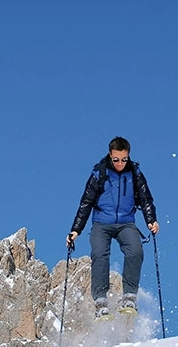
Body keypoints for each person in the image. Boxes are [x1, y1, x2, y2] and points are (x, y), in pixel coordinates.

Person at [68, 136, 159, 319]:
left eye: (124, 159)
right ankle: (100, 301)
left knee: (135, 251)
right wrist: (76, 230)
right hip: (101, 223)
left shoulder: (134, 173)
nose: (120, 163)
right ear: (110, 155)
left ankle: (129, 297)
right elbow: (86, 203)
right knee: (100, 254)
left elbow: (145, 199)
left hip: (126, 222)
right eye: (116, 159)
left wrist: (151, 220)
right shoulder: (99, 173)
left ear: (128, 156)